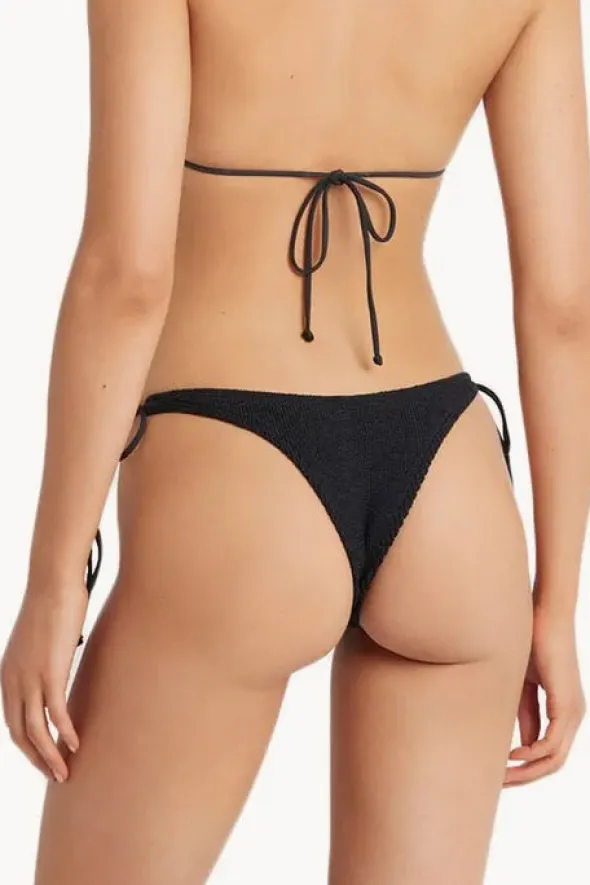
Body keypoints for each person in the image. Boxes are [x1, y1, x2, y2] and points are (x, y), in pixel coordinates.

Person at [1, 0, 589, 883]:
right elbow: (564, 305)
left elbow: (126, 274)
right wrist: (556, 605)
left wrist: (55, 583)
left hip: (235, 470)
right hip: (450, 486)